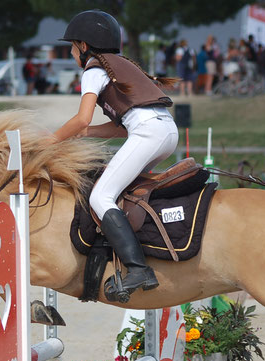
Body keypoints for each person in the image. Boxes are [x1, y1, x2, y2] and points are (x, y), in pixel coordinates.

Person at [52, 10, 179, 302]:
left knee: (100, 197)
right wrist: (86, 134)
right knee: (124, 189)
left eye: (72, 47)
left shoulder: (94, 70)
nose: (72, 53)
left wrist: (50, 140)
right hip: (166, 132)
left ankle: (138, 269)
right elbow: (121, 128)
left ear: (84, 46)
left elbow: (82, 118)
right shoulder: (120, 65)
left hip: (148, 134)